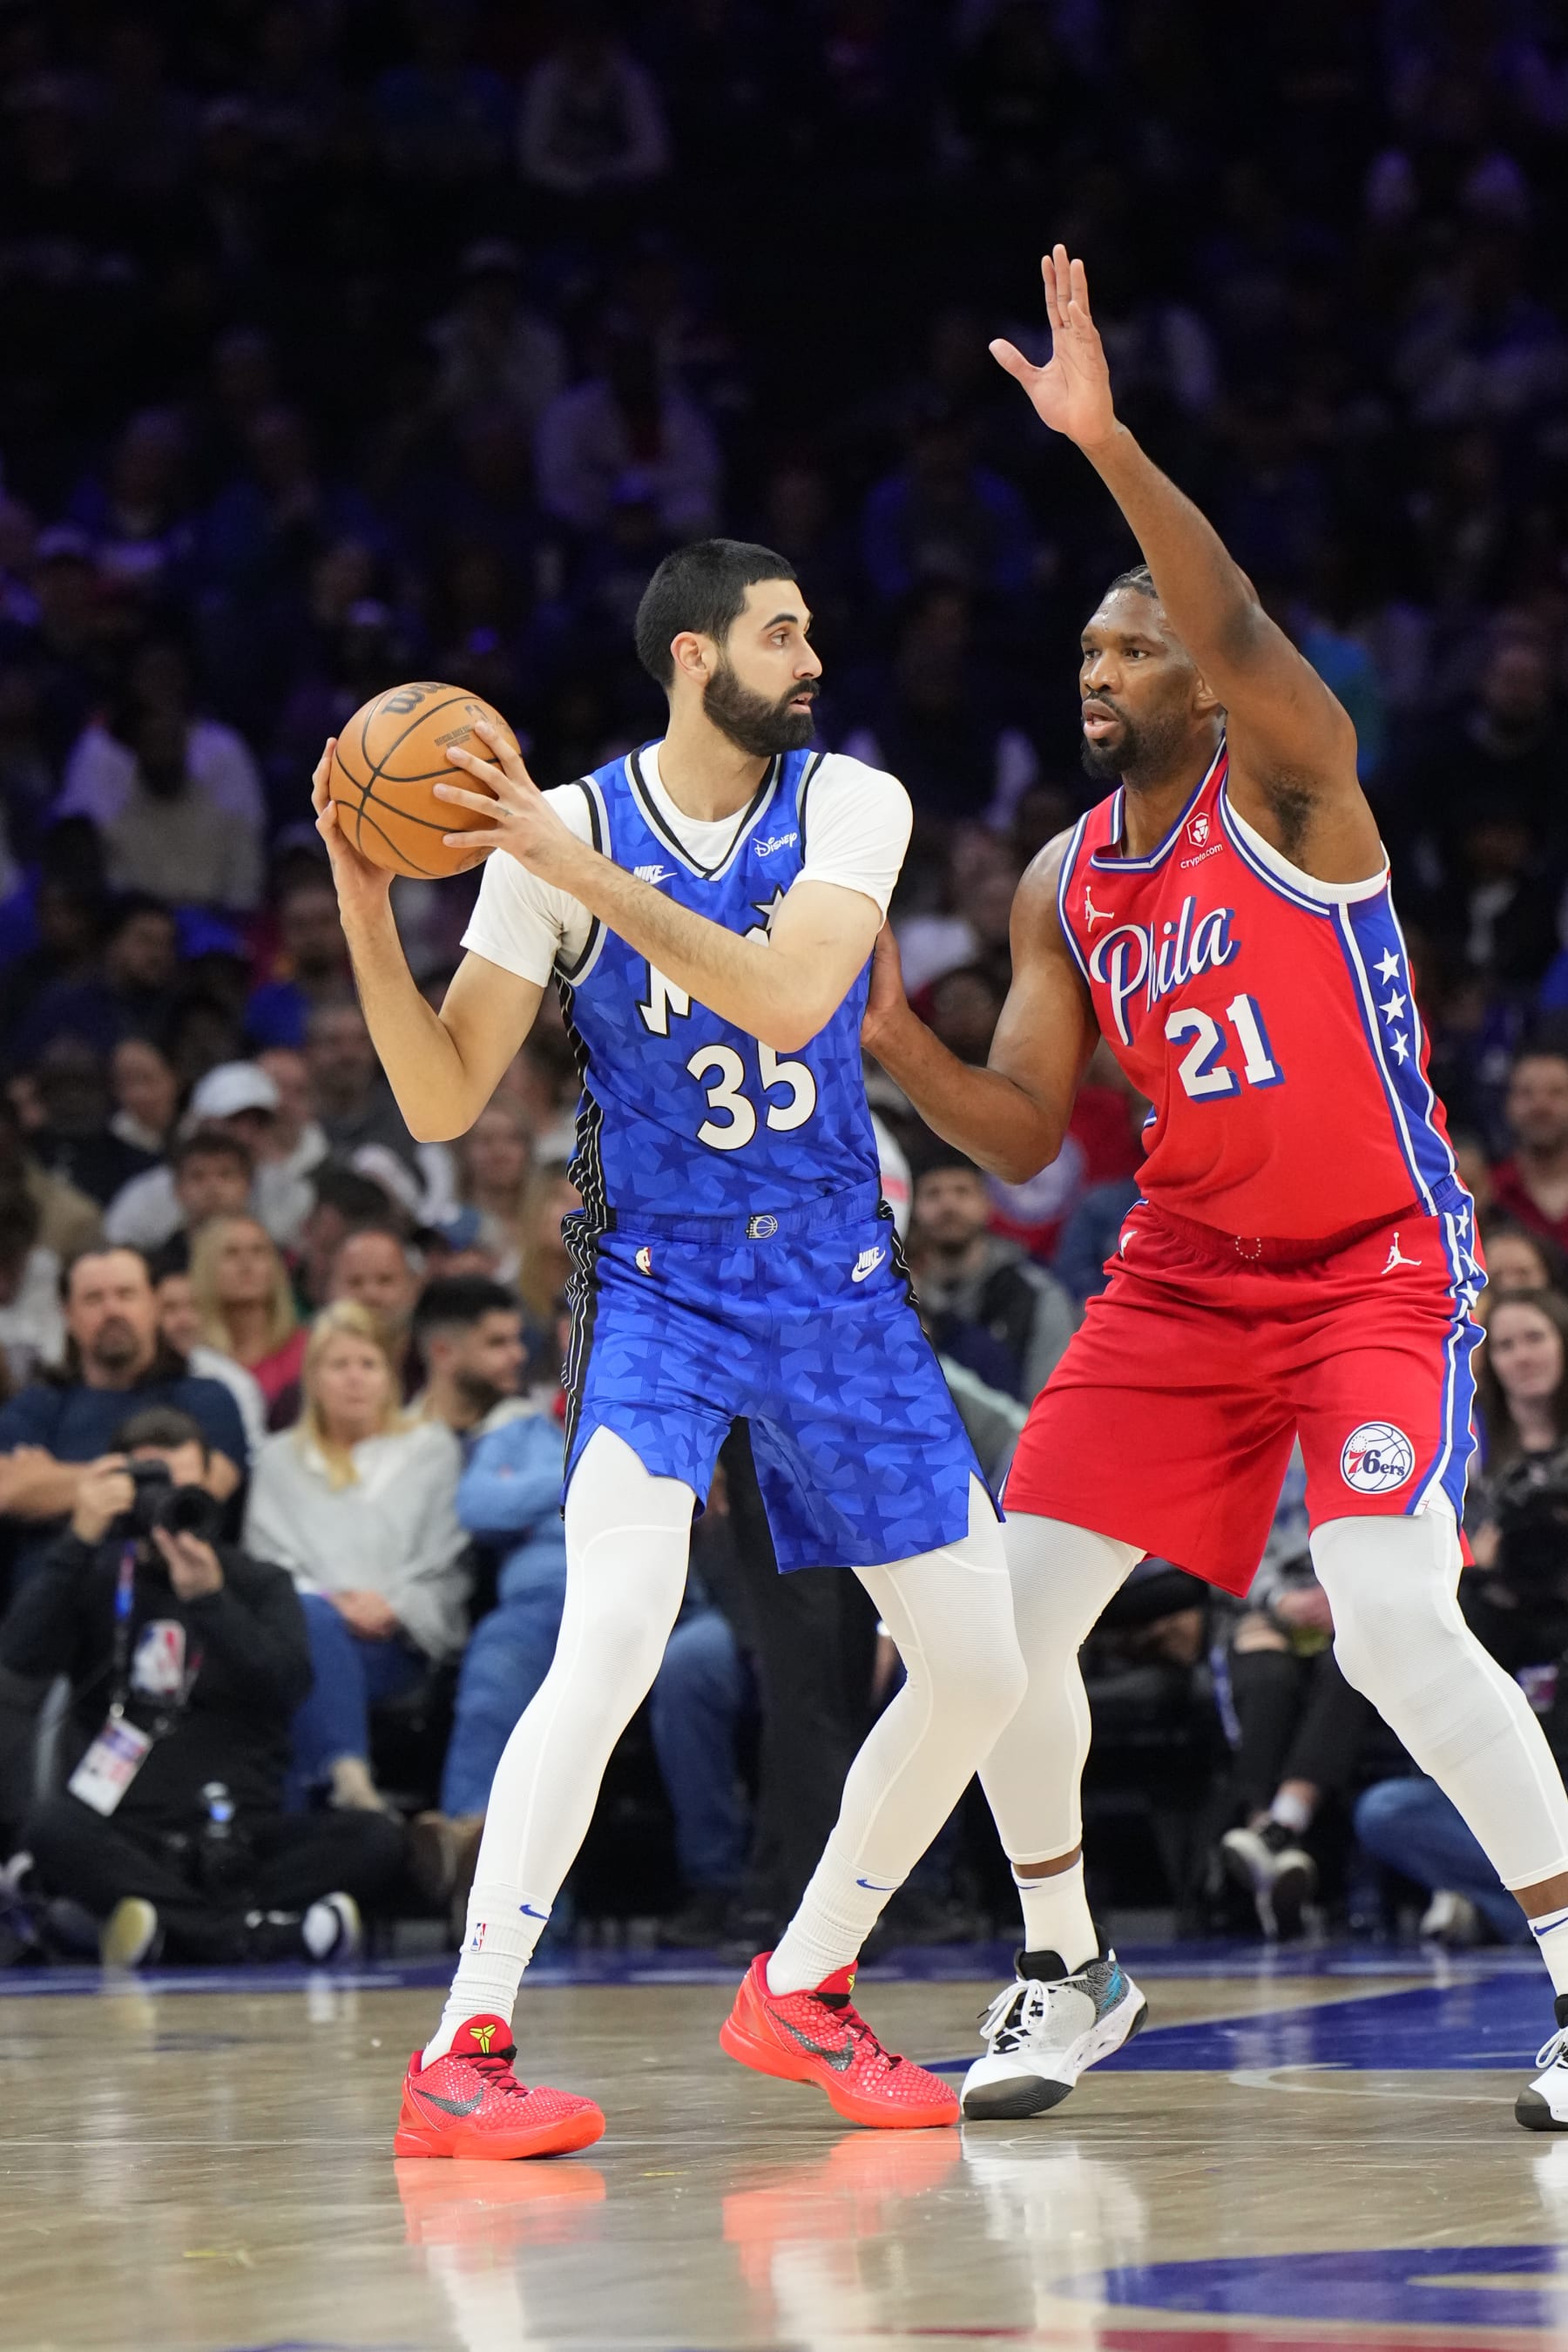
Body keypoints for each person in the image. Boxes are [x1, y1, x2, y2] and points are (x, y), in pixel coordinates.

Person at [860, 248, 1568, 2132]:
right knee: (991, 1628)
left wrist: (1099, 444)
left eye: (1133, 646)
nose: (1103, 672)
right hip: (1184, 1277)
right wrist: (883, 1037)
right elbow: (1017, 1138)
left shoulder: (1301, 787)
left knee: (1395, 1614)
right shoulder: (1062, 880)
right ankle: (1068, 1967)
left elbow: (1234, 611)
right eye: (1086, 653)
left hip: (1373, 1264)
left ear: (1199, 667)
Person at [314, 535, 1024, 2155]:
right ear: (695, 657)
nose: (815, 657)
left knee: (981, 1664)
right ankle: (462, 2045)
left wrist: (574, 880)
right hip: (660, 1289)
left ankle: (807, 1983)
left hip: (839, 1286)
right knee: (617, 1633)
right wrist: (370, 900)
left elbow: (786, 1000)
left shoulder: (853, 803)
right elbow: (439, 1096)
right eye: (784, 634)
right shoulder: (548, 830)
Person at [4, 1408, 402, 1965]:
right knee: (51, 1828)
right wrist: (78, 1536)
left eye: (183, 1489)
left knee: (376, 1839)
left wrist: (213, 1603)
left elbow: (288, 1687)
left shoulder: (258, 1582)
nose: (164, 1510)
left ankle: (162, 1931)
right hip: (128, 1834)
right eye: (151, 1488)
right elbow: (19, 1659)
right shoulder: (92, 1579)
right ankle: (256, 1936)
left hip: (245, 1832)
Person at [243, 1302, 468, 1814]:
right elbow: (268, 1566)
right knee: (311, 1625)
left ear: (390, 1377)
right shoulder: (279, 1460)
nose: (354, 1379)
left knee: (293, 1684)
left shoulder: (431, 1450)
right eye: (338, 1365)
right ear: (313, 1379)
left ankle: (318, 1816)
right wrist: (333, 1603)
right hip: (305, 1631)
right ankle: (350, 1787)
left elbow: (447, 1564)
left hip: (395, 1642)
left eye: (368, 1365)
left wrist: (394, 1608)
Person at [0, 1247, 247, 1585]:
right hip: (48, 1605)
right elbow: (8, 1488)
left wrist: (53, 1481)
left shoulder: (206, 1397)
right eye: (93, 1299)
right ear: (67, 1315)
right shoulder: (39, 1405)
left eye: (126, 1294)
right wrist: (155, 1478)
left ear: (155, 1306)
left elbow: (201, 1490)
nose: (112, 1310)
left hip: (171, 1596)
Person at [909, 1144, 1078, 1402]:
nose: (948, 1205)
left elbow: (1053, 1401)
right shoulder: (901, 1297)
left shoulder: (1035, 1294)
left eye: (962, 1191)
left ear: (988, 1202)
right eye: (932, 1194)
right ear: (913, 1208)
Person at [188, 1213, 307, 1411]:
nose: (246, 1264)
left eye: (258, 1252)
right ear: (206, 1269)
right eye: (231, 1253)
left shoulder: (307, 1350)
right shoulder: (193, 1359)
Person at [104, 1121, 255, 1252]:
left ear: (248, 1185)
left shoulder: (274, 1260)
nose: (212, 1187)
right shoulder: (155, 1271)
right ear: (178, 1190)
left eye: (225, 1174)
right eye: (198, 1176)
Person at [409, 1275, 526, 1439]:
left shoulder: (531, 1430)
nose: (519, 1355)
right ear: (442, 1352)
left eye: (517, 1339)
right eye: (497, 1343)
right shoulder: (396, 1442)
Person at [1492, 1051, 1568, 1257]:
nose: (1540, 1105)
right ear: (1508, 1105)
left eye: (1556, 1092)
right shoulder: (1489, 1192)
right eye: (1526, 1093)